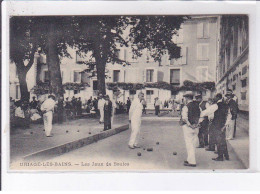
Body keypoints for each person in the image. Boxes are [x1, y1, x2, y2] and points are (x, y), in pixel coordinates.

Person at [201, 93, 229, 161]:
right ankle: (226, 155)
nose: (214, 98)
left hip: (217, 125)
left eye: (214, 97)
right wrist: (225, 125)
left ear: (217, 97)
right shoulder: (226, 105)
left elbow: (207, 112)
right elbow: (228, 115)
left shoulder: (216, 105)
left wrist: (199, 114)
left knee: (218, 140)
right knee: (223, 140)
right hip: (223, 124)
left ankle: (220, 157)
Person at [181, 93, 201, 167]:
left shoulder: (186, 107)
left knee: (189, 144)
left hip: (188, 127)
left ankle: (192, 162)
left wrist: (190, 125)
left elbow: (184, 118)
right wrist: (197, 124)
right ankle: (189, 159)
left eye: (185, 98)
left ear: (187, 98)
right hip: (196, 127)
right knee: (193, 144)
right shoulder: (198, 106)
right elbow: (201, 115)